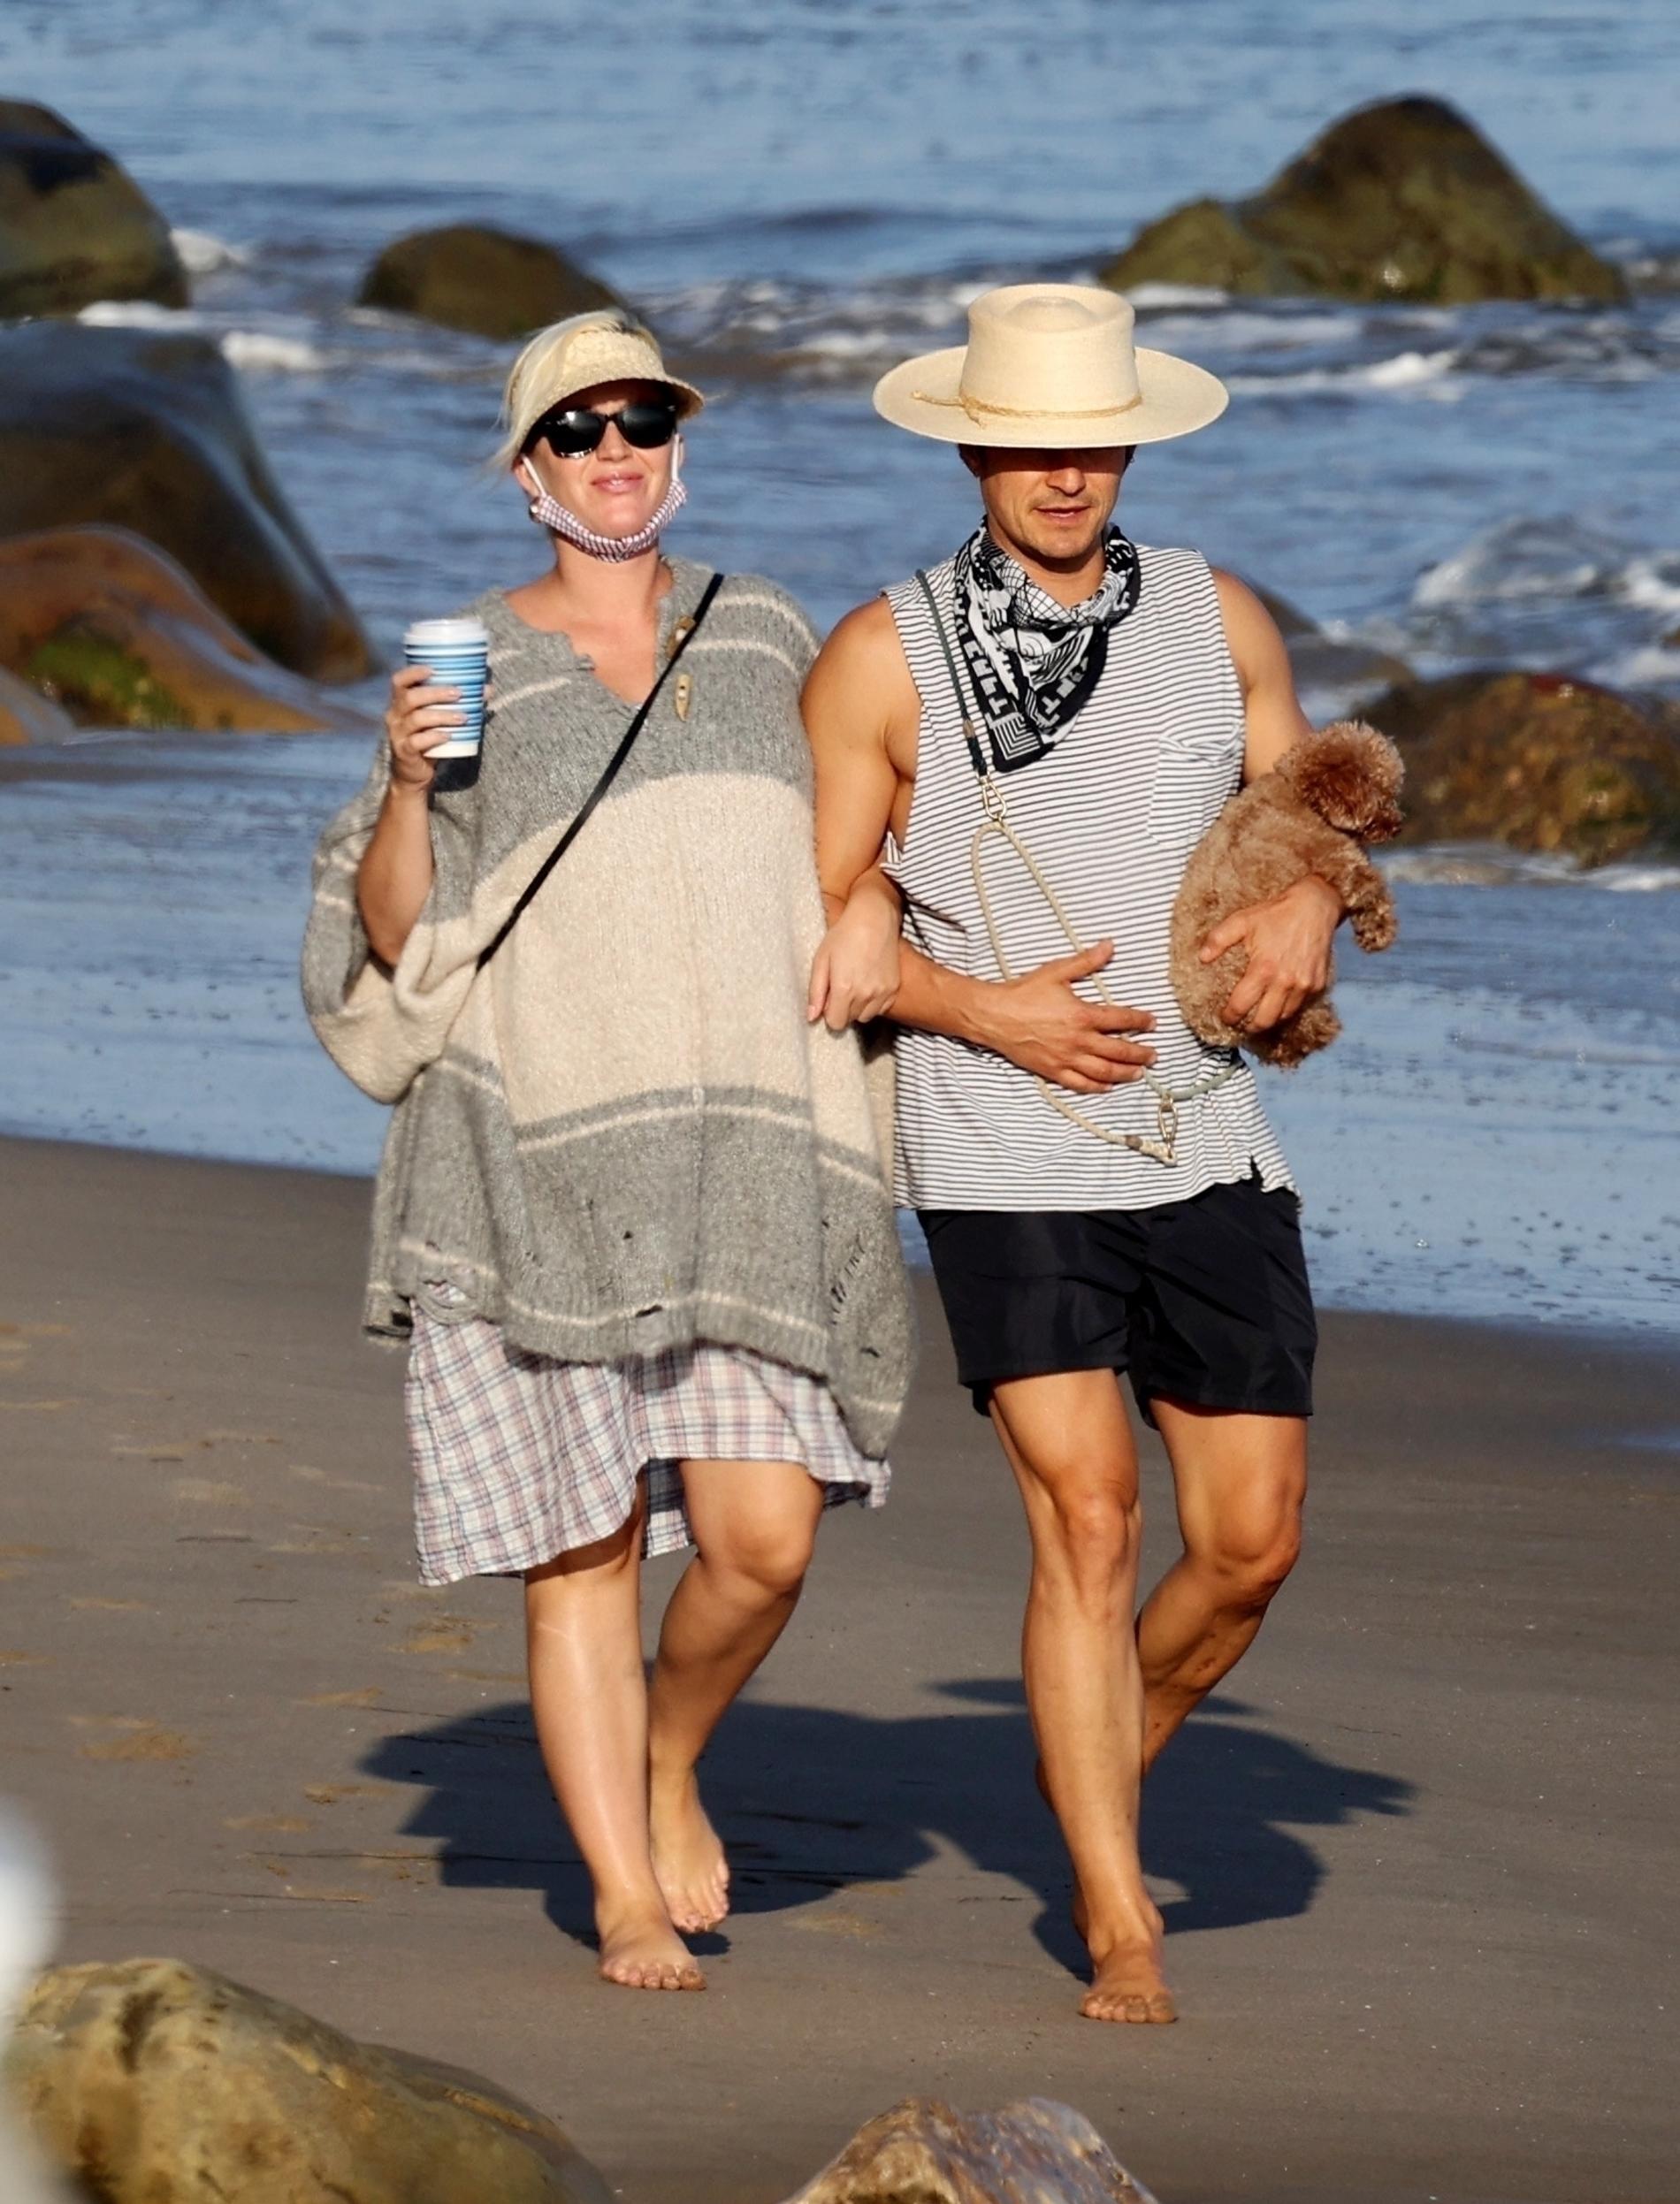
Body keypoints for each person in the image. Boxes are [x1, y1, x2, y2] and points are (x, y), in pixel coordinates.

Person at [303, 309, 912, 1994]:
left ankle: (666, 1753)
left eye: (640, 419)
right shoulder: (471, 666)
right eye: (575, 430)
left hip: (745, 1163)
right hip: (539, 1160)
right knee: (581, 1556)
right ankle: (625, 1898)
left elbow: (866, 822)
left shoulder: (767, 627)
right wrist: (411, 783)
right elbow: (394, 933)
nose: (614, 450)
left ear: (679, 444)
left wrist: (870, 899)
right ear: (528, 471)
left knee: (763, 1540)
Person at [804, 284, 1341, 2025]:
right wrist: (981, 1010)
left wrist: (1314, 905)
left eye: (1091, 443)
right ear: (972, 447)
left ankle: (1096, 1742)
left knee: (1250, 1539)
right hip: (998, 1137)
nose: (1062, 472)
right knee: (1090, 1517)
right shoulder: (880, 655)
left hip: (1201, 1127)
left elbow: (1309, 816)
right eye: (1029, 443)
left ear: (1129, 445)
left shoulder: (1216, 616)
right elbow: (820, 927)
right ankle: (1117, 1916)